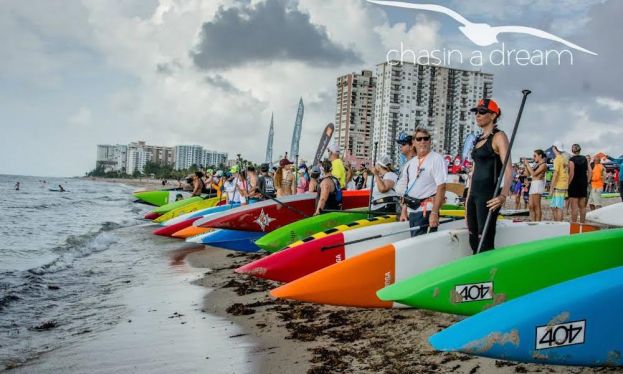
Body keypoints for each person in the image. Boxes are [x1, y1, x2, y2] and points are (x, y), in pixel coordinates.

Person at [466, 99, 512, 253]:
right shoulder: (478, 139)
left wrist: (503, 195)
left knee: (484, 241)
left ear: (493, 115)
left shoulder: (499, 136)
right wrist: (467, 200)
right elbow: (473, 173)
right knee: (472, 238)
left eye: (482, 112)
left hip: (488, 197)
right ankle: (477, 272)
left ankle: (489, 274)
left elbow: (508, 169)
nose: (478, 115)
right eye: (476, 112)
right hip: (473, 196)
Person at [396, 128, 447, 237]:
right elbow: (407, 189)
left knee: (423, 248)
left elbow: (441, 187)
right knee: (415, 244)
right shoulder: (411, 164)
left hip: (427, 211)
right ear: (413, 143)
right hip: (412, 212)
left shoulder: (436, 159)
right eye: (419, 139)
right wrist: (404, 210)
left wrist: (434, 213)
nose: (422, 141)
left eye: (426, 138)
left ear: (430, 141)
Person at [568, 144, 590, 223]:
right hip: (583, 182)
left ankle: (574, 225)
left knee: (574, 207)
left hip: (574, 183)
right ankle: (582, 224)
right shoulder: (585, 158)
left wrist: (568, 184)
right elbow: (590, 171)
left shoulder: (571, 160)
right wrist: (587, 181)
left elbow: (571, 174)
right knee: (582, 206)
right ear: (580, 150)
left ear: (572, 150)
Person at [523, 150, 547, 222]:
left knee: (537, 205)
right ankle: (533, 221)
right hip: (533, 184)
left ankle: (538, 223)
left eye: (535, 156)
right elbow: (527, 174)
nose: (533, 157)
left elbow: (534, 174)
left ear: (540, 156)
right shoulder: (535, 164)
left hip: (538, 184)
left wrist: (528, 165)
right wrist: (525, 166)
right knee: (530, 206)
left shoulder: (543, 165)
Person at [549, 142, 569, 221]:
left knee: (558, 207)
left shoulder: (557, 159)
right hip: (562, 184)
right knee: (553, 206)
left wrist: (551, 188)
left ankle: (559, 225)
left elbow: (555, 174)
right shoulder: (563, 158)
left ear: (554, 148)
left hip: (559, 185)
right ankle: (557, 223)